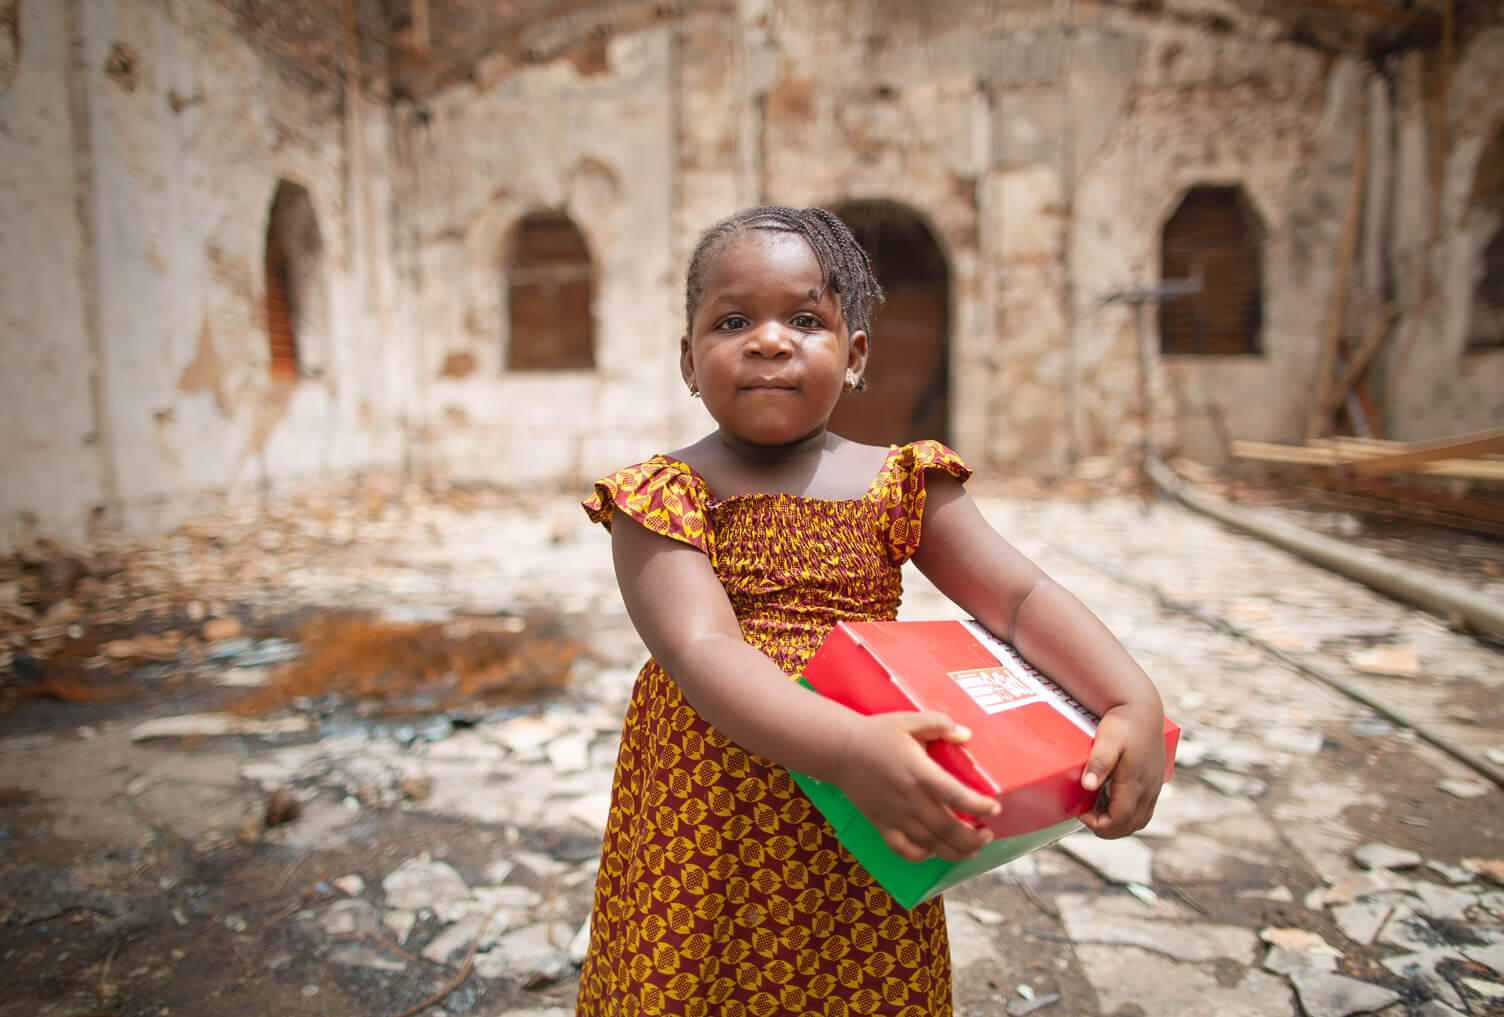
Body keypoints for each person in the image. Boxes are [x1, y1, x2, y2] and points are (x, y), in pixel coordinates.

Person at [577, 205, 1165, 1016]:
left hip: (869, 810)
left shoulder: (902, 482)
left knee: (854, 979)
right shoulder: (661, 496)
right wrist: (845, 745)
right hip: (710, 812)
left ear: (854, 357)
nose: (770, 340)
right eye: (734, 320)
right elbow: (702, 648)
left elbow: (1020, 598)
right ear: (688, 358)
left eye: (805, 318)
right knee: (695, 979)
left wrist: (1130, 698)